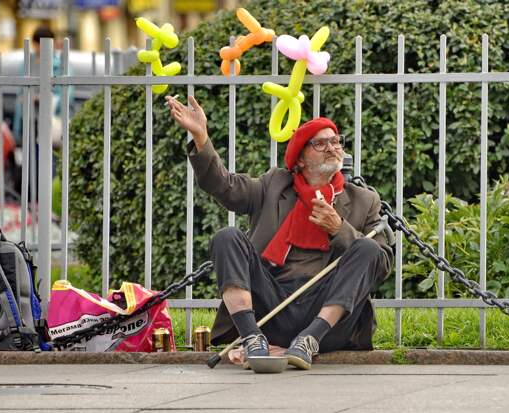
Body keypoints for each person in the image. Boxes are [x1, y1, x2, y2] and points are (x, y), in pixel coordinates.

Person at [167, 95, 394, 370]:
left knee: (368, 248)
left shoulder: (364, 199)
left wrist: (339, 229)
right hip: (270, 305)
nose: (332, 148)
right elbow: (225, 187)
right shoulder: (274, 184)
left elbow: (380, 264)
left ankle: (308, 341)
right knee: (227, 237)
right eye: (320, 143)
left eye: (335, 141)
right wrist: (201, 137)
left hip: (327, 315)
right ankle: (252, 338)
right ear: (299, 159)